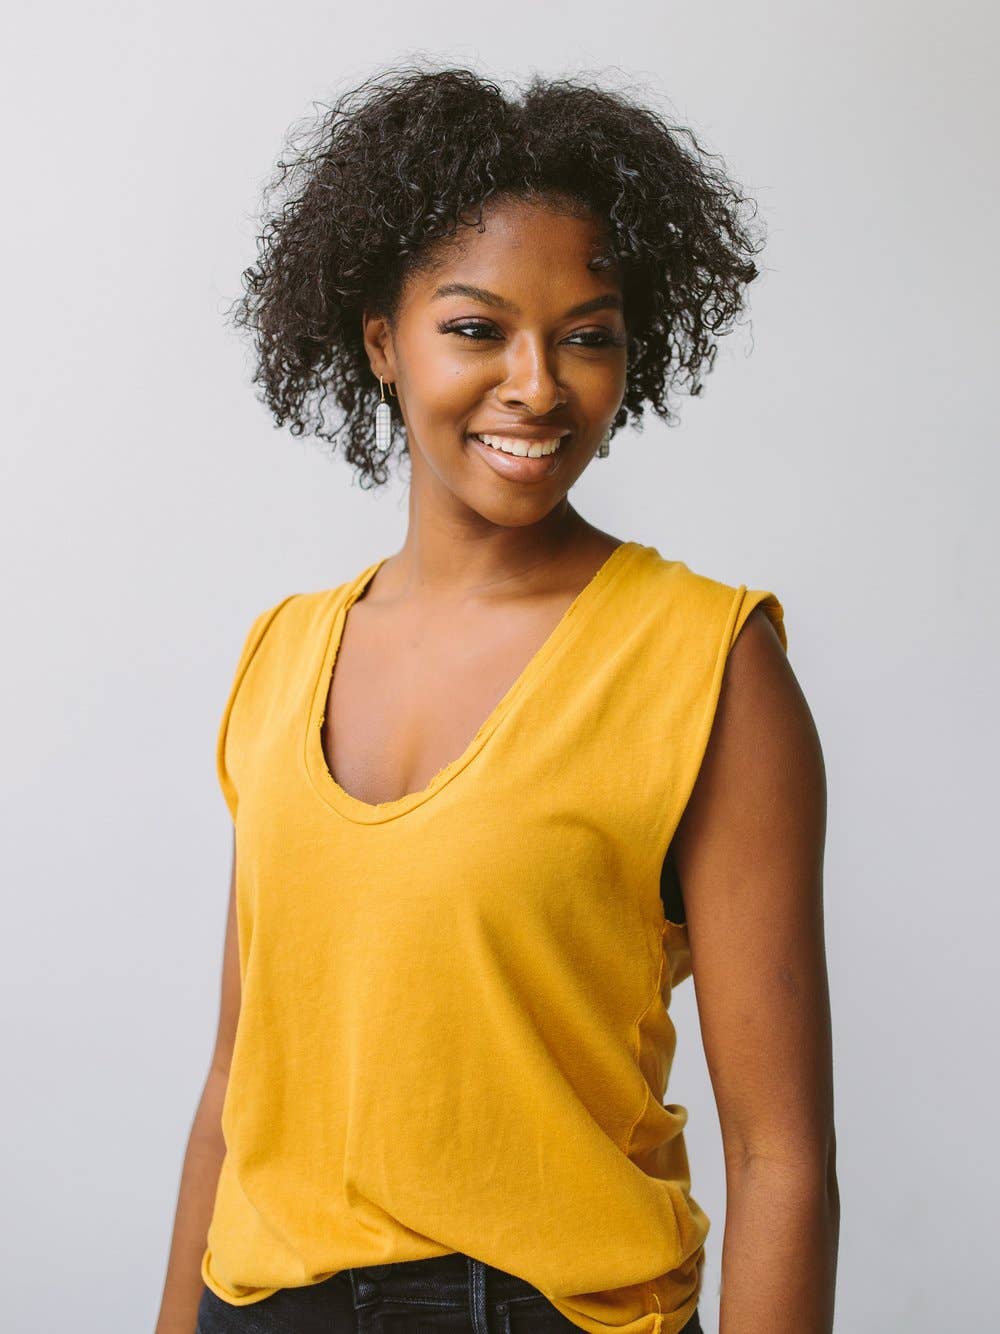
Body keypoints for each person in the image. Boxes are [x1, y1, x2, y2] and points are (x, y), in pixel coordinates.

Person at [155, 62, 838, 1334]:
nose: (537, 383)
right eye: (477, 329)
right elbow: (230, 1089)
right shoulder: (283, 653)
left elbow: (781, 1161)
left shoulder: (708, 662)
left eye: (587, 333)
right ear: (381, 340)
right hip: (252, 1301)